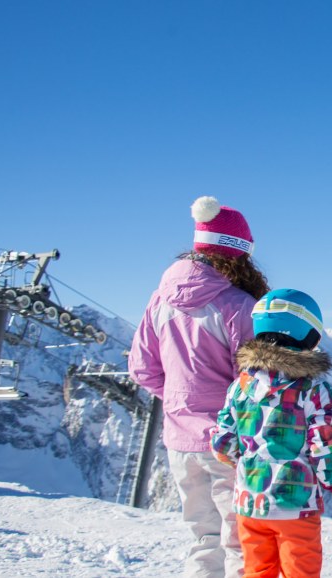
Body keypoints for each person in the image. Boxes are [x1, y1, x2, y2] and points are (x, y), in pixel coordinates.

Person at [130, 196, 269, 578]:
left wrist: (180, 401)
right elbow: (255, 383)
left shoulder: (160, 299)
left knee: (203, 539)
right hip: (229, 442)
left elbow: (142, 369)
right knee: (240, 538)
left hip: (179, 441)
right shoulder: (239, 306)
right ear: (240, 253)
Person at [210, 288, 332, 578]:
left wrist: (249, 463)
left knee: (257, 572)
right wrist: (331, 477)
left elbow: (222, 443)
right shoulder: (313, 390)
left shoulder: (239, 387)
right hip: (296, 507)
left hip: (250, 504)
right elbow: (323, 446)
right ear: (308, 336)